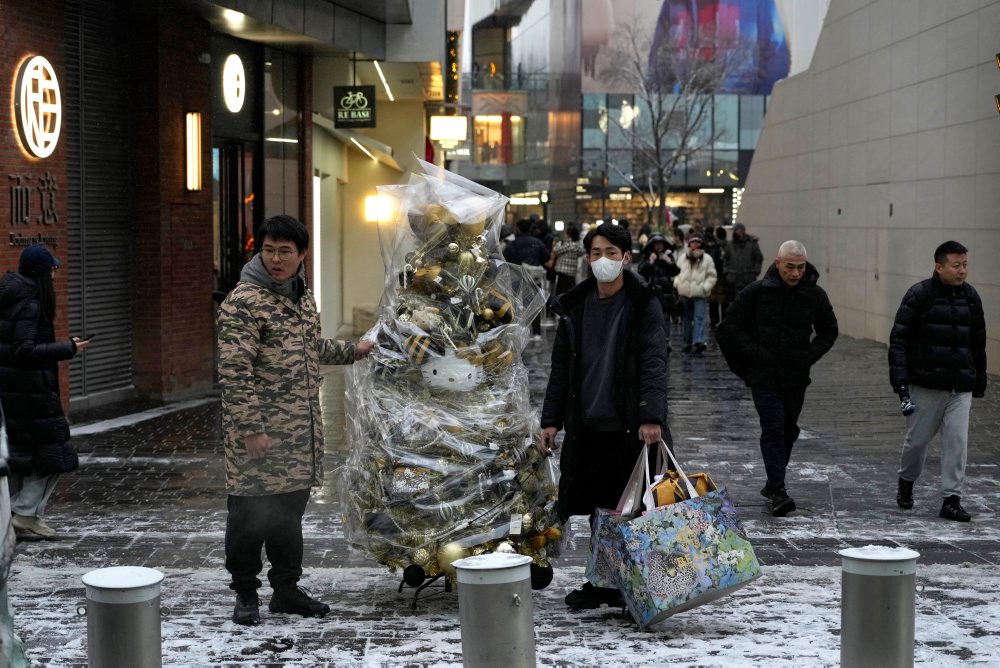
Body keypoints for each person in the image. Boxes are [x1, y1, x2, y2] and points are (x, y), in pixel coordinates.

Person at [217, 215, 374, 626]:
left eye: (285, 251)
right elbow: (235, 371)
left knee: (287, 519)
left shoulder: (300, 296)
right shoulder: (244, 302)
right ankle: (246, 594)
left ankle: (286, 590)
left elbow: (310, 346)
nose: (275, 258)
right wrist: (252, 429)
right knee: (249, 518)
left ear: (302, 255)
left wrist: (354, 350)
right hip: (260, 436)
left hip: (299, 437)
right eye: (268, 249)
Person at [538, 222, 670, 609]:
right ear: (587, 259)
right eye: (596, 253)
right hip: (588, 424)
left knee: (633, 510)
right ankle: (602, 581)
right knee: (600, 509)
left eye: (612, 253)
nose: (603, 261)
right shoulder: (575, 309)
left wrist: (652, 416)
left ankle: (636, 586)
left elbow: (654, 362)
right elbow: (560, 371)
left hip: (631, 425)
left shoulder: (643, 303)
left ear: (626, 259)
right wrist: (552, 420)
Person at [716, 240, 838, 517]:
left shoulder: (814, 294)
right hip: (764, 376)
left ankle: (773, 485)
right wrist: (754, 356)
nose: (795, 274)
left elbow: (829, 330)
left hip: (796, 376)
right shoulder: (757, 293)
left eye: (801, 267)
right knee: (773, 427)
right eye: (790, 267)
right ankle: (778, 490)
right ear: (777, 263)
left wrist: (808, 355)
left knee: (787, 430)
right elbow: (728, 327)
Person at [889, 241, 987, 522]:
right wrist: (901, 384)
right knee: (917, 442)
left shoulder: (971, 297)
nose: (962, 271)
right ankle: (906, 480)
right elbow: (899, 341)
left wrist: (978, 380)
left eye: (965, 264)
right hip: (926, 384)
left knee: (957, 441)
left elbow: (977, 344)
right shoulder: (919, 295)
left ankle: (951, 499)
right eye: (956, 265)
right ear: (939, 266)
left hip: (960, 386)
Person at [0, 246, 90, 540]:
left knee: (21, 458)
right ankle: (24, 513)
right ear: (41, 273)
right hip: (29, 393)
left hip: (13, 392)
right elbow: (24, 351)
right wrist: (69, 348)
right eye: (52, 269)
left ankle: (15, 518)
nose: (55, 274)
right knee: (55, 455)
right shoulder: (30, 304)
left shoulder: (11, 298)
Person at [504, 218, 550, 338]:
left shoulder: (513, 244)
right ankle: (536, 333)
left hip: (516, 278)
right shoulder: (537, 242)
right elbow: (546, 257)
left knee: (517, 305)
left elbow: (506, 260)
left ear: (518, 228)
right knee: (535, 305)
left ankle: (520, 332)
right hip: (535, 279)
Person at [673, 235, 717, 354]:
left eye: (697, 242)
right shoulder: (683, 257)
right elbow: (676, 271)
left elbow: (712, 275)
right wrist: (677, 284)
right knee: (686, 318)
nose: (695, 245)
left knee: (699, 318)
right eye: (693, 242)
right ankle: (687, 342)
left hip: (700, 293)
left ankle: (698, 341)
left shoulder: (707, 258)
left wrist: (705, 288)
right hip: (684, 292)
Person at [636, 232, 681, 345]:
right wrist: (650, 262)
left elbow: (676, 271)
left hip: (666, 293)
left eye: (660, 244)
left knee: (666, 317)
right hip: (651, 291)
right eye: (656, 244)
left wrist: (669, 262)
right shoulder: (647, 256)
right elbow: (640, 271)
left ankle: (666, 341)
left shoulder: (668, 255)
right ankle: (653, 340)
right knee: (652, 317)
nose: (658, 246)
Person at [723, 222, 763, 297]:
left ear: (742, 231)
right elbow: (725, 259)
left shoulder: (752, 244)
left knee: (748, 301)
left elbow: (759, 258)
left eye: (736, 230)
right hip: (733, 279)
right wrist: (726, 272)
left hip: (748, 279)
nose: (734, 232)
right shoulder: (730, 245)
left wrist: (756, 272)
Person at [550, 223, 586, 296]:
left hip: (563, 272)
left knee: (561, 292)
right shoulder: (577, 245)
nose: (564, 234)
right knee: (570, 291)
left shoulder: (567, 244)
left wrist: (557, 244)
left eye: (565, 232)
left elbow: (556, 250)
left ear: (568, 234)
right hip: (572, 273)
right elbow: (582, 252)